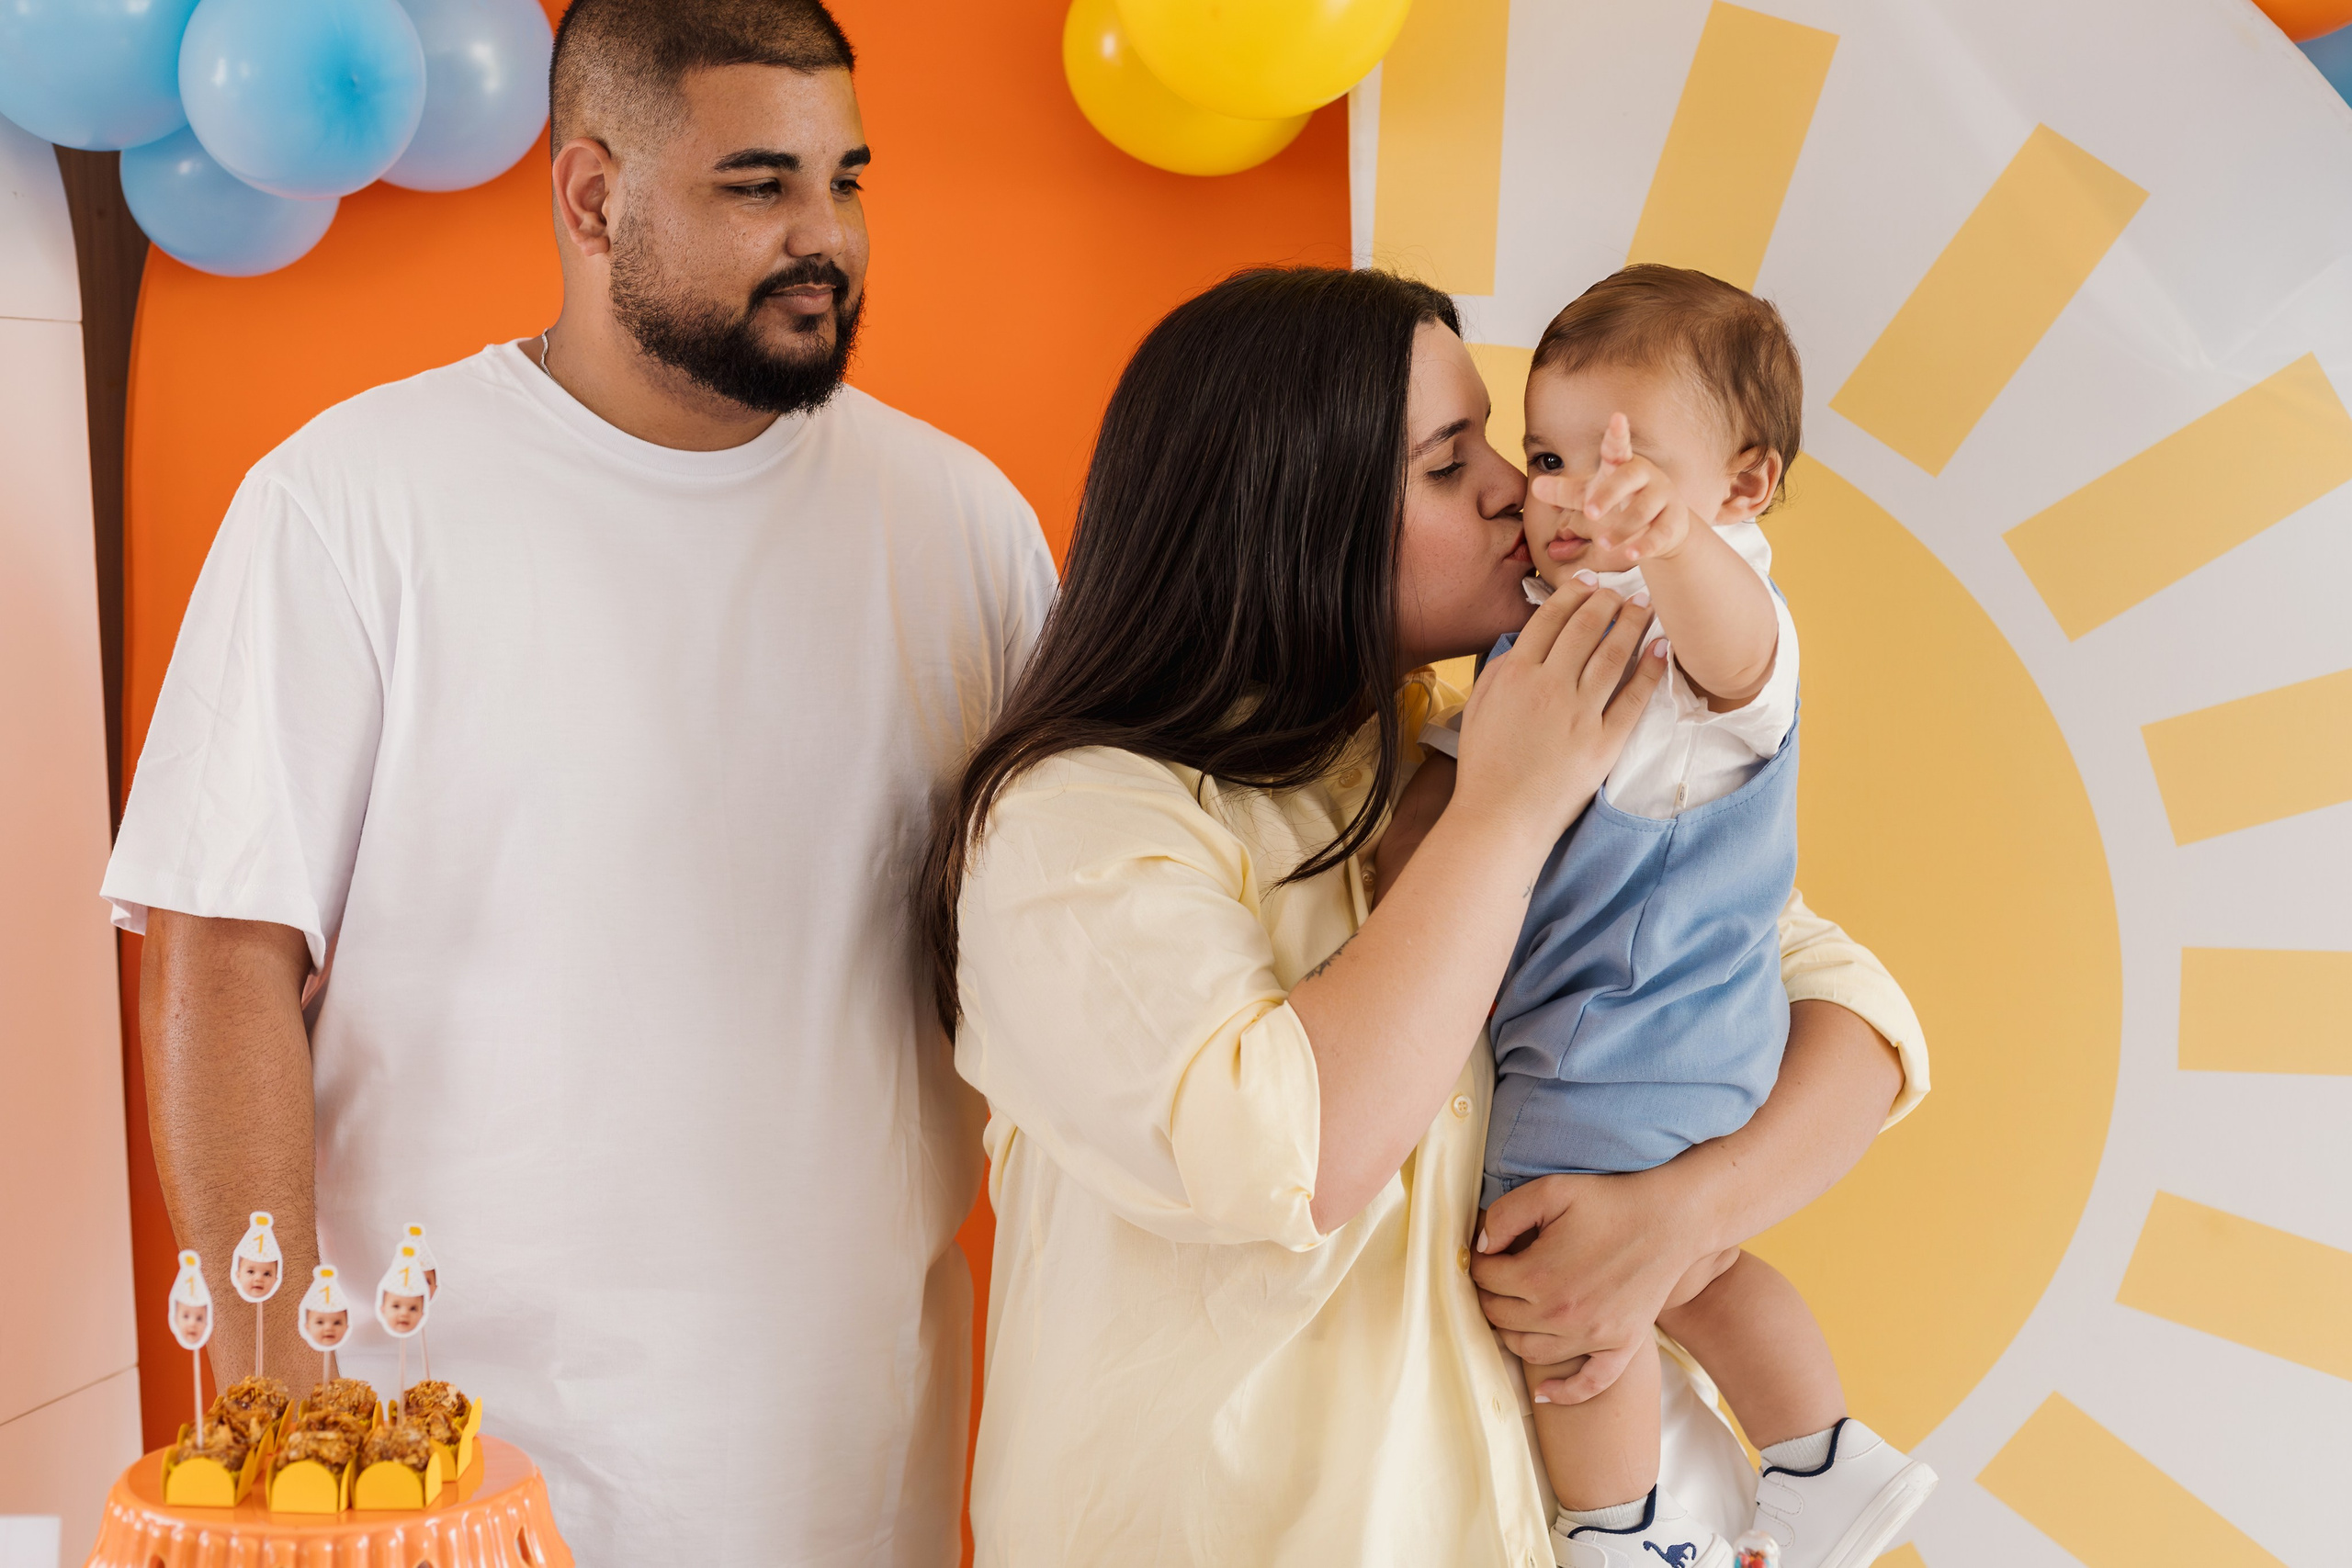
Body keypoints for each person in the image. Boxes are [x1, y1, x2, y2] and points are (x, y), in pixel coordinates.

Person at [103, 0, 1053, 1560]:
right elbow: (221, 954)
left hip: (852, 1460)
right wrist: (281, 1430)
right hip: (440, 1479)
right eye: (759, 184)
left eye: (846, 180)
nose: (825, 237)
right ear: (594, 198)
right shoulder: (351, 502)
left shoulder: (964, 529)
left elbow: (1072, 949)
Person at [923, 266, 1928, 1565]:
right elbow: (1295, 1152)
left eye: (1505, 448)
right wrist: (1506, 812)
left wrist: (1680, 1220)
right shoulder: (1078, 821)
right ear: (1297, 515)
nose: (1522, 490)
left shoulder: (1502, 737)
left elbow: (1850, 1014)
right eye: (1454, 466)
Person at [1390, 265, 1932, 1568]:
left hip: (1622, 1036)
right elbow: (1480, 771)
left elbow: (1745, 662)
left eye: (1624, 466)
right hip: (1690, 1036)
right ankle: (1823, 1457)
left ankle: (1619, 1526)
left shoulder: (1701, 620)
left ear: (1744, 486)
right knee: (1701, 1275)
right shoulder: (1563, 621)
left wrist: (1676, 545)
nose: (1570, 495)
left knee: (1555, 1273)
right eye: (1550, 458)